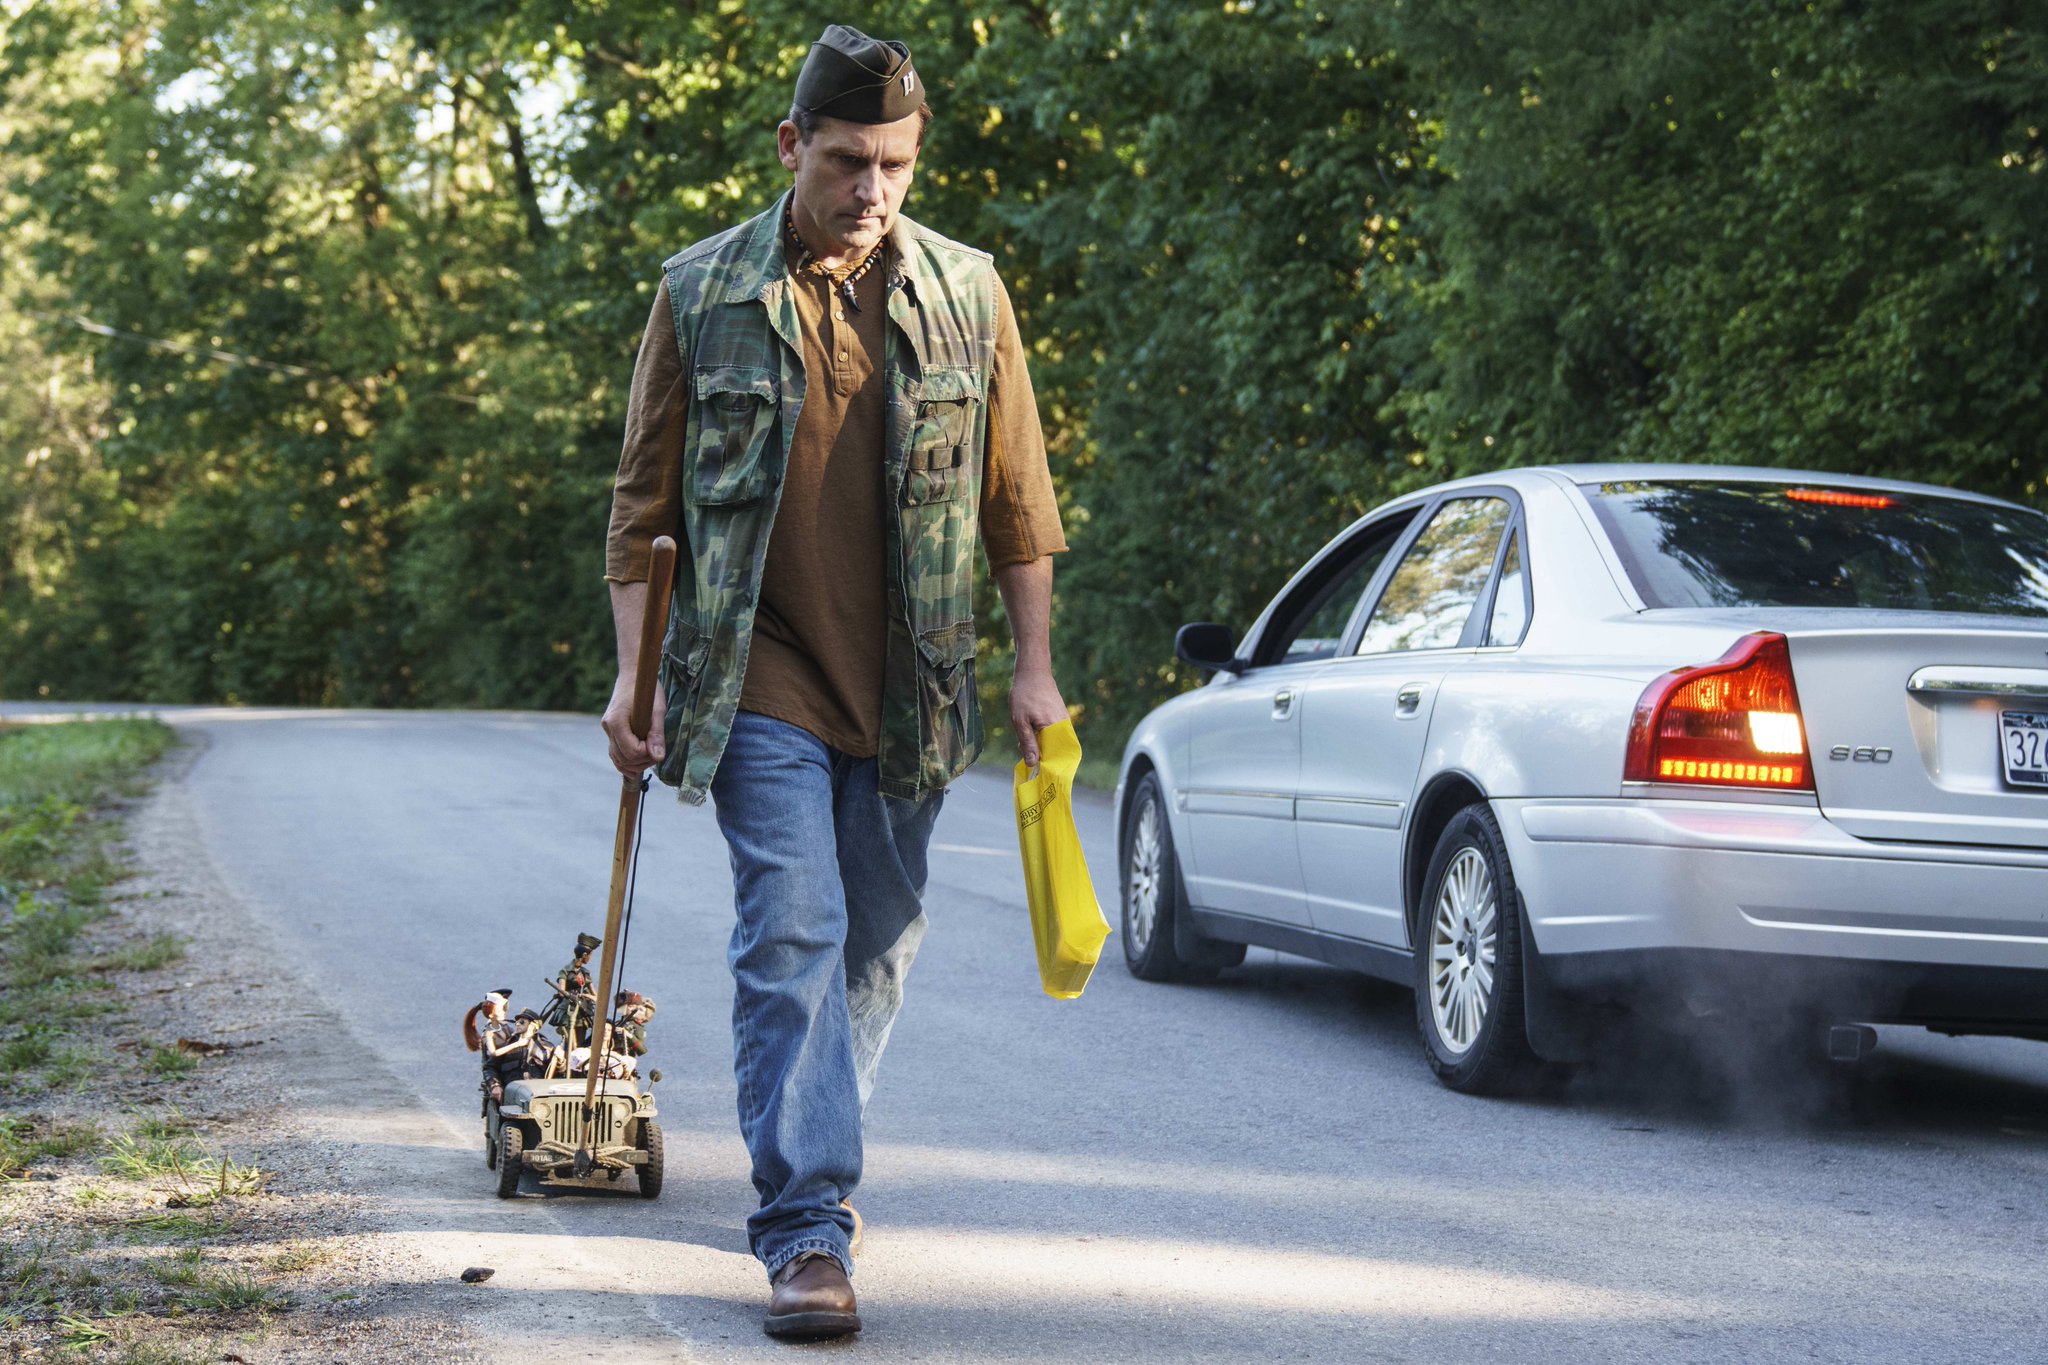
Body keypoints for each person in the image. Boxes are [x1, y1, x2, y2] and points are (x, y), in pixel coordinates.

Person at [600, 22, 1067, 1340]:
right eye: (850, 160)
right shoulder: (702, 293)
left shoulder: (967, 293)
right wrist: (634, 682)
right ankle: (806, 1222)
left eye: (897, 166)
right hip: (759, 676)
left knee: (873, 944)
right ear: (794, 144)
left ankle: (800, 1127)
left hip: (915, 685)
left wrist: (1035, 671)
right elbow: (643, 510)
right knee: (792, 928)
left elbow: (1016, 496)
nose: (873, 191)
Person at [547, 933, 601, 1044]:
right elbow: (562, 992)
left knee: (580, 1044)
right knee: (570, 1043)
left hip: (583, 1011)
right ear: (585, 955)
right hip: (568, 1010)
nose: (590, 958)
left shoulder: (585, 973)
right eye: (590, 956)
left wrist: (585, 996)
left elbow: (596, 997)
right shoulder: (565, 971)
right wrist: (569, 995)